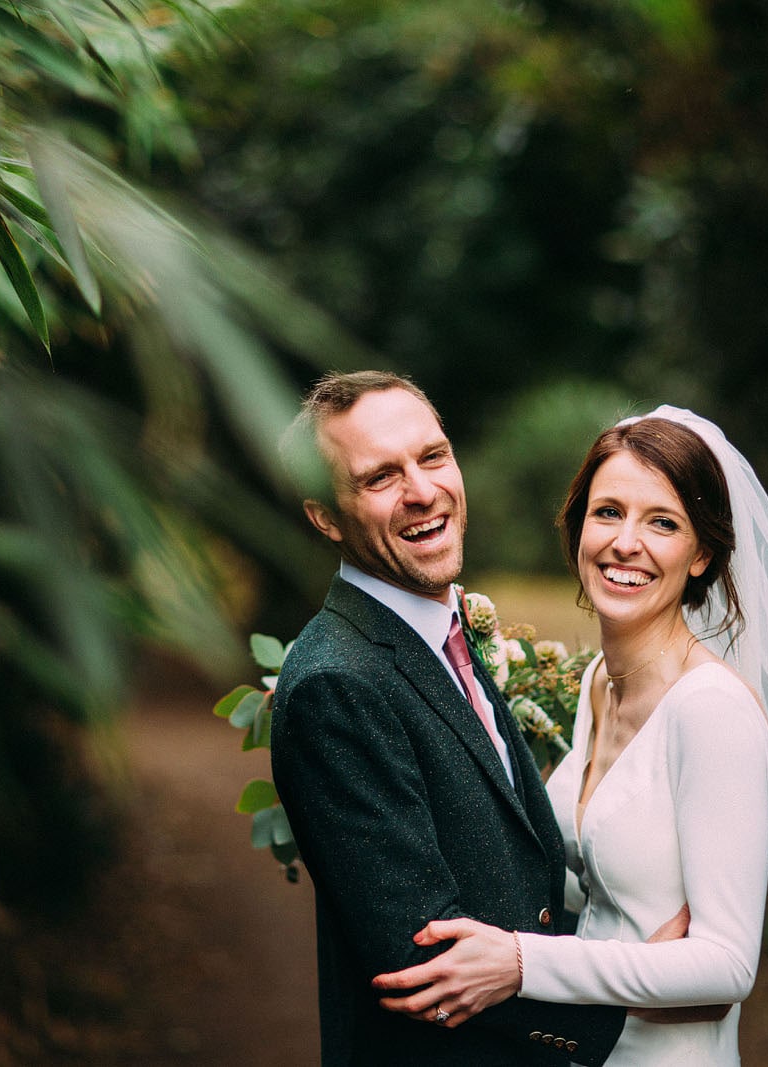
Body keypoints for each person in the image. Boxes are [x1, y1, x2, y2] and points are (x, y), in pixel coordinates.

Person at [372, 406, 768, 1065]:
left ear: (702, 554)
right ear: (579, 527)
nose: (625, 542)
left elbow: (728, 964)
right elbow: (600, 887)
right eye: (608, 512)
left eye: (663, 522)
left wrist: (522, 961)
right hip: (583, 1048)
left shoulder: (712, 712)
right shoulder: (600, 680)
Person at [269, 370, 629, 1066]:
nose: (422, 491)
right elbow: (423, 960)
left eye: (433, 456)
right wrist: (635, 992)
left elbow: (516, 882)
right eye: (380, 477)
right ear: (325, 517)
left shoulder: (442, 634)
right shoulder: (335, 685)